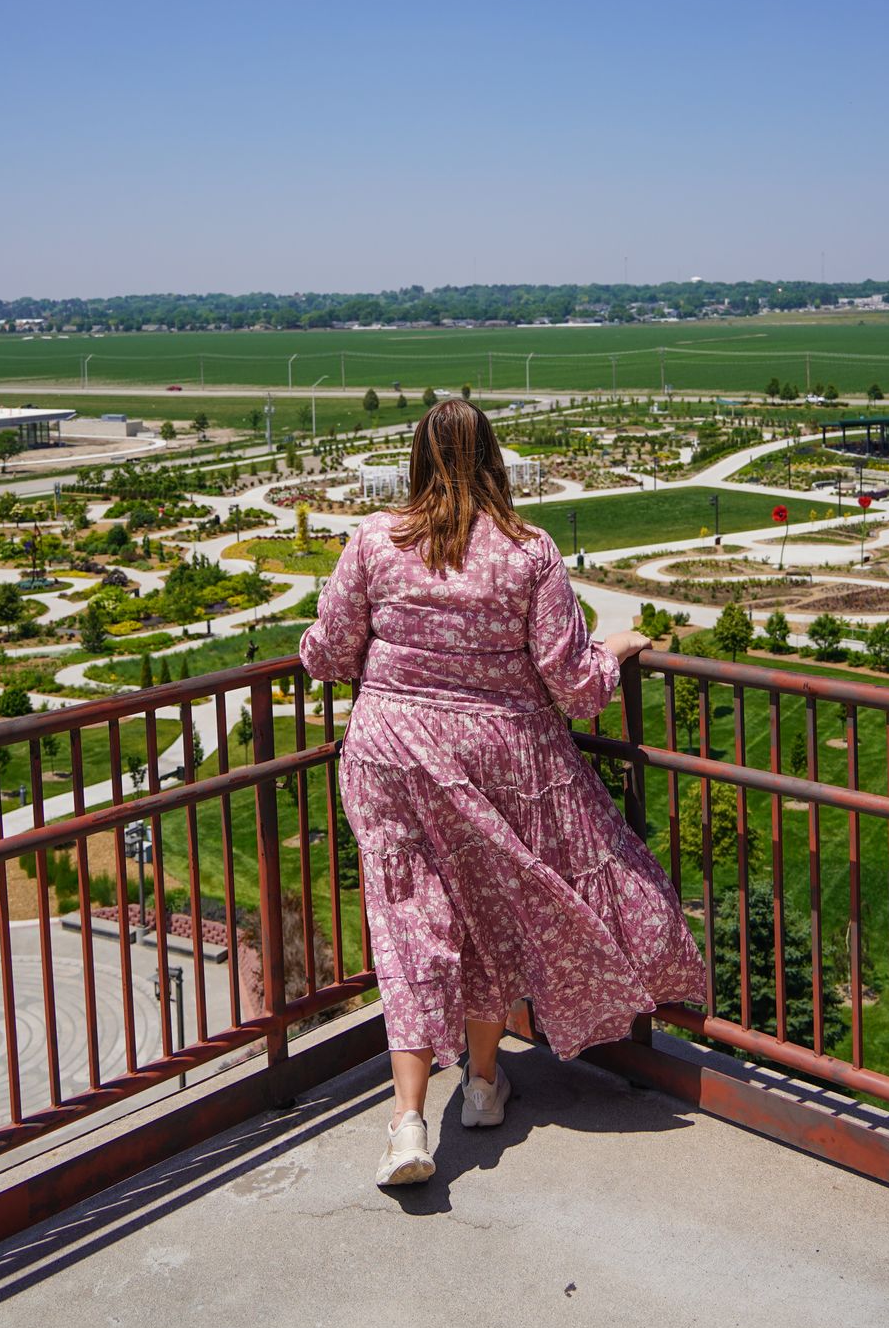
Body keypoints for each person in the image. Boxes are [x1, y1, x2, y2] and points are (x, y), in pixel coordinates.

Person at [299, 398, 705, 1189]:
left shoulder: (376, 540)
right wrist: (617, 646)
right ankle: (483, 1086)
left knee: (407, 925)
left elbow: (327, 653)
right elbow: (575, 684)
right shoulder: (529, 551)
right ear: (495, 459)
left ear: (416, 458)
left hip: (390, 756)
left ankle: (409, 1124)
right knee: (489, 919)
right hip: (496, 762)